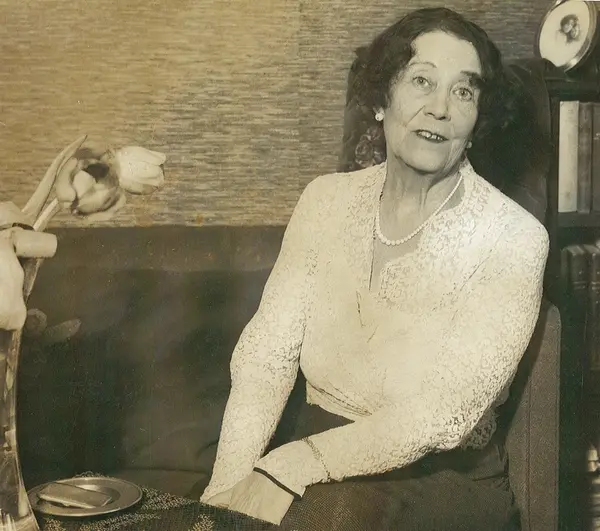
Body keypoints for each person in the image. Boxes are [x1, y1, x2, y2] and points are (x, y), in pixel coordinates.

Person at [200, 7, 549, 530]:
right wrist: (222, 495)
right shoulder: (324, 201)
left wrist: (290, 465)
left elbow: (443, 415)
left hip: (437, 480)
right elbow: (264, 359)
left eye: (463, 91)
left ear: (477, 119)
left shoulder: (515, 238)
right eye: (422, 81)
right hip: (312, 462)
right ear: (382, 100)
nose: (440, 108)